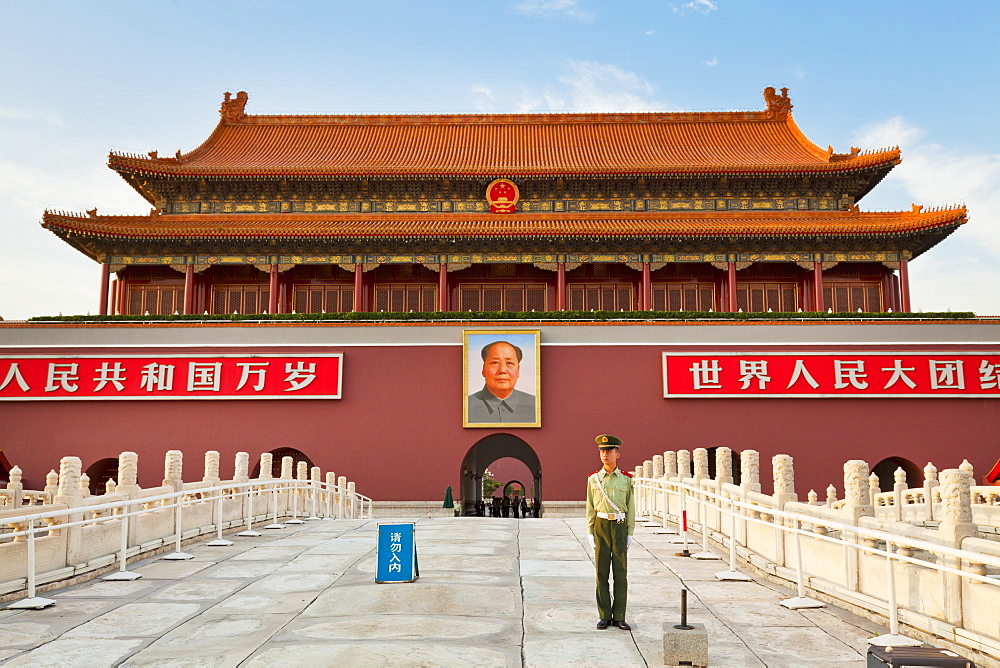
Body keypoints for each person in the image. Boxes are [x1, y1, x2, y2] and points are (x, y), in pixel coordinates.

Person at [586, 434, 635, 631]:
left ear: (618, 454)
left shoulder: (625, 480)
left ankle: (620, 616)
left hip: (620, 526)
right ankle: (605, 615)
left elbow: (631, 507)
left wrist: (630, 532)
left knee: (621, 573)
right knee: (601, 572)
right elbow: (590, 507)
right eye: (602, 451)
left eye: (609, 451)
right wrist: (590, 531)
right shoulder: (593, 480)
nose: (605, 454)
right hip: (601, 525)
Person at [467, 341, 536, 424]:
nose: (502, 370)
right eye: (495, 363)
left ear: (518, 370)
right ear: (483, 369)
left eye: (509, 363)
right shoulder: (466, 406)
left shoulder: (536, 406)